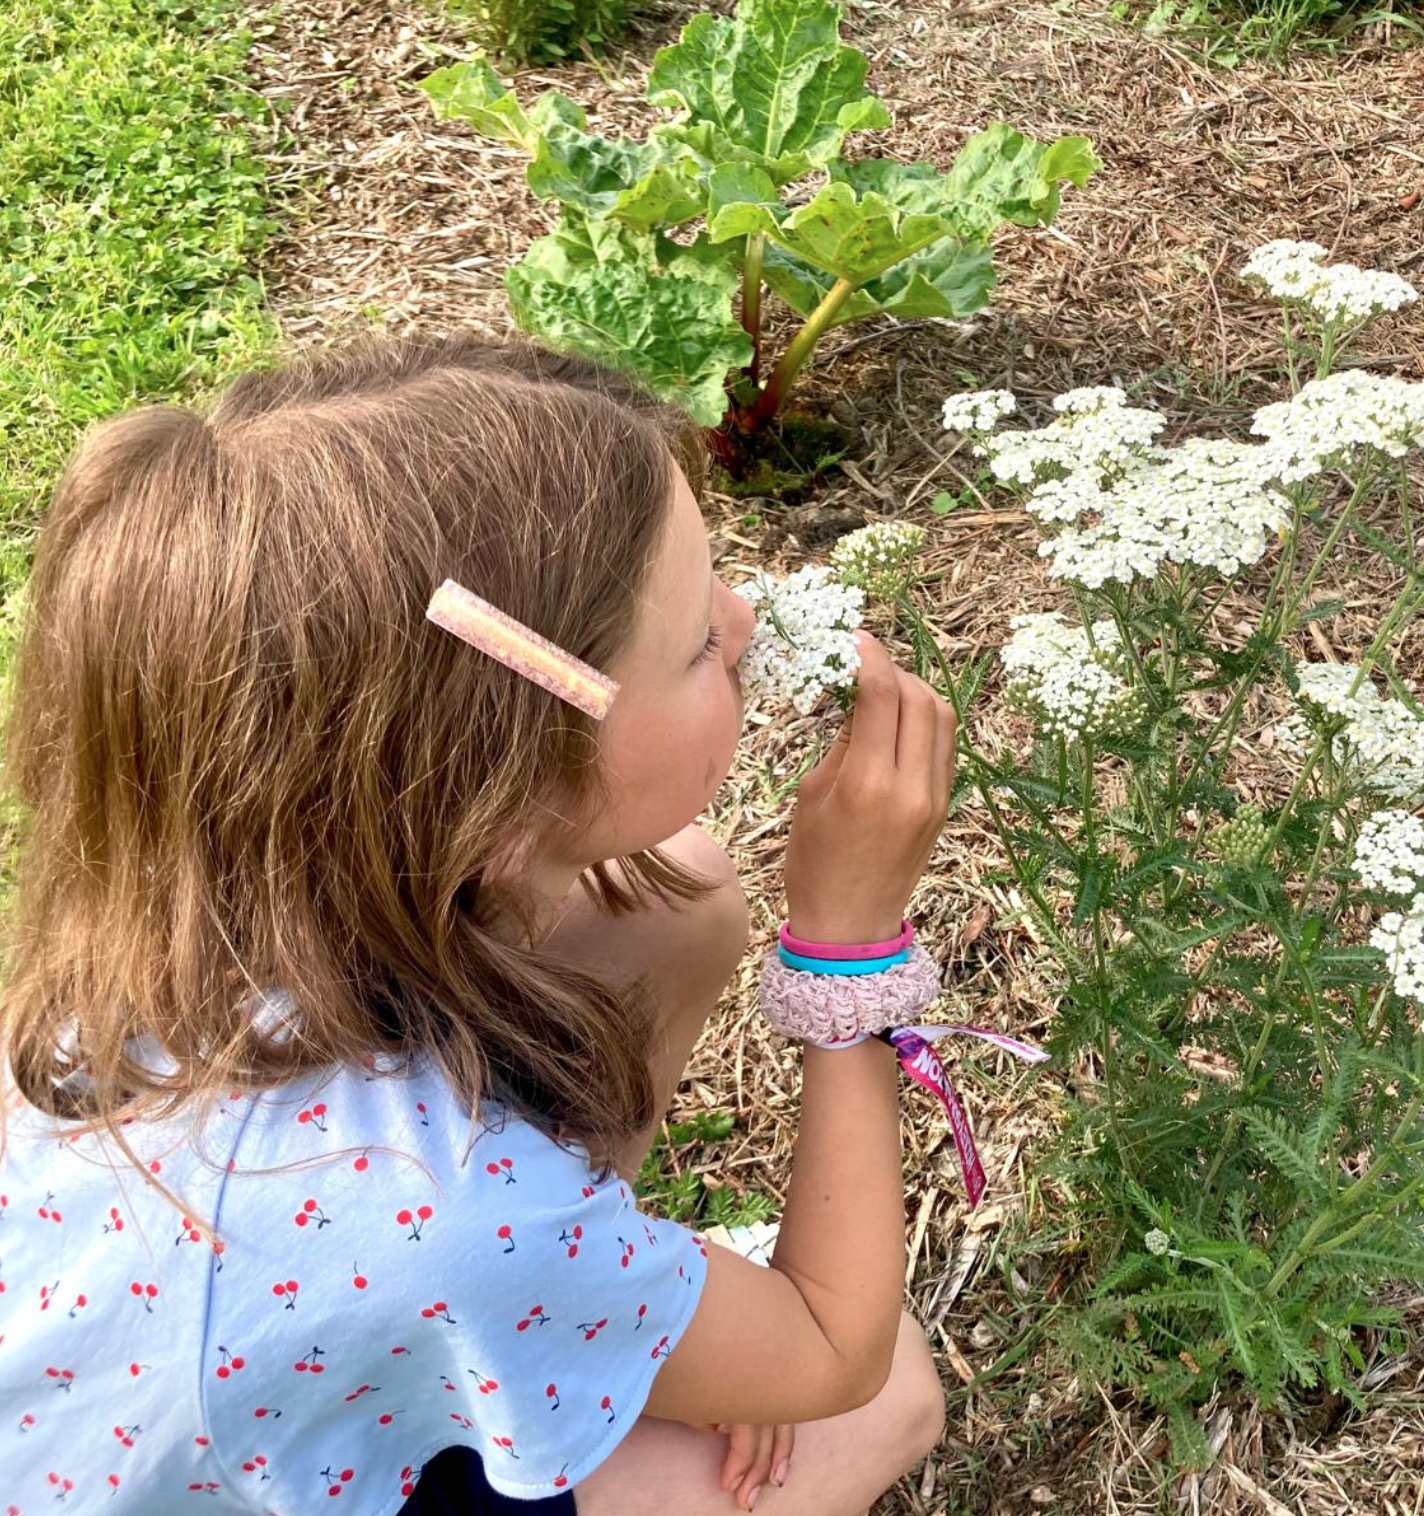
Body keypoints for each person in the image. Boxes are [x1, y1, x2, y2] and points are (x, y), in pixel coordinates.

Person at [0, 334, 955, 1514]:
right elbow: (831, 1348)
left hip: (260, 1370)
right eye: (697, 641)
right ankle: (566, 1310)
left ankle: (570, 1318)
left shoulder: (168, 930)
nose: (744, 617)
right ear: (499, 796)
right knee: (894, 1393)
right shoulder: (453, 1207)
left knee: (675, 899)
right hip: (351, 1402)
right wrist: (847, 941)